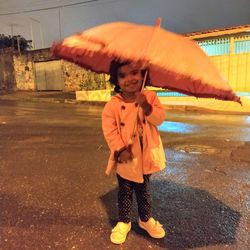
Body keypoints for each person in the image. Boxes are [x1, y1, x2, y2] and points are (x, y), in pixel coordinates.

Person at [102, 60, 166, 244]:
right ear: (116, 80)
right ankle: (124, 221)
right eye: (122, 75)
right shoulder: (113, 104)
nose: (129, 79)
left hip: (145, 156)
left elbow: (159, 119)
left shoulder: (150, 97)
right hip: (126, 156)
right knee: (125, 190)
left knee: (143, 190)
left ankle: (145, 219)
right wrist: (119, 149)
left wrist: (146, 106)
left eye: (134, 73)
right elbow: (110, 129)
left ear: (143, 75)